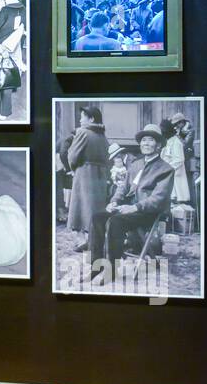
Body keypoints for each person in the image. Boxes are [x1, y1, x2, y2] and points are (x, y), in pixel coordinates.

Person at [88, 124, 175, 282]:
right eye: (143, 140)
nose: (145, 143)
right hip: (128, 207)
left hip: (148, 212)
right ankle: (96, 267)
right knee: (97, 218)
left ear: (159, 145)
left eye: (150, 140)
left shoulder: (165, 169)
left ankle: (111, 271)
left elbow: (159, 198)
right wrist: (114, 201)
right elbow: (123, 187)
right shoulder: (136, 164)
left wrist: (135, 207)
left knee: (115, 222)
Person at [66, 106, 109, 253]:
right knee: (94, 208)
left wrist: (74, 169)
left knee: (80, 206)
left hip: (84, 173)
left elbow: (72, 156)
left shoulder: (82, 132)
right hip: (100, 175)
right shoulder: (103, 136)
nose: (80, 119)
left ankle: (82, 241)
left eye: (83, 116)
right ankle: (93, 240)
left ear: (91, 119)